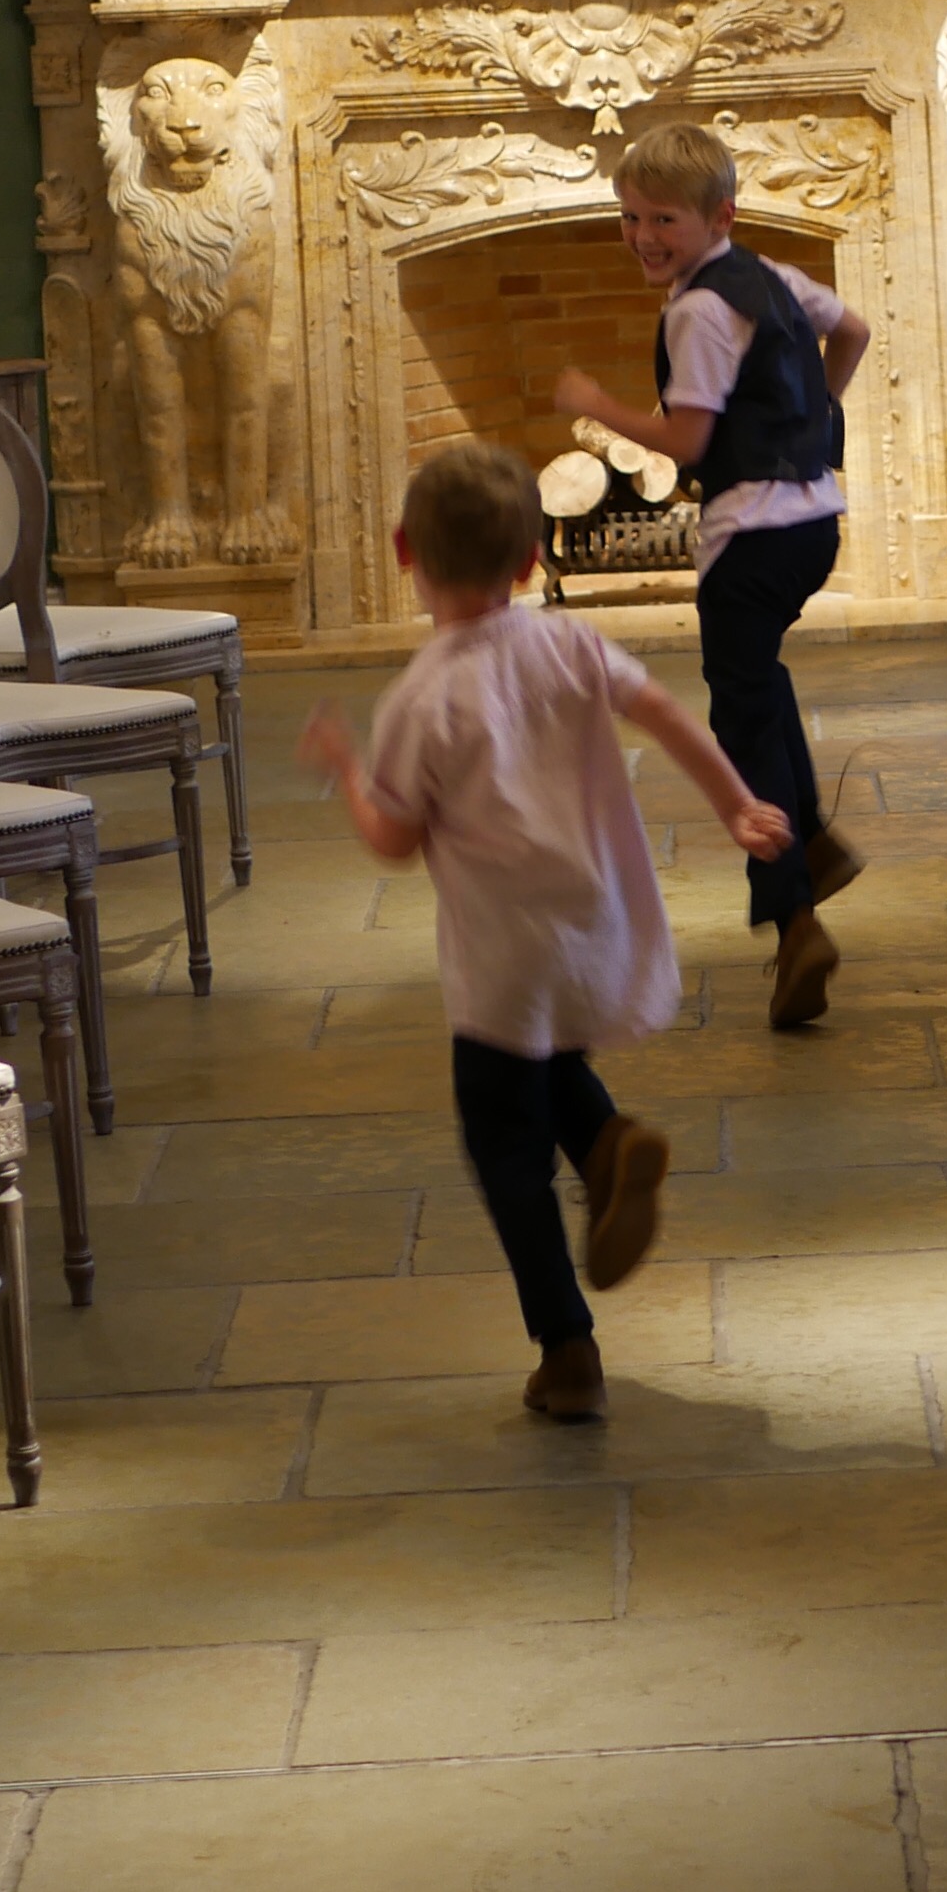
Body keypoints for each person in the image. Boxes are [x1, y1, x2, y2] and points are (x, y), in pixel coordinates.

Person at [304, 438, 787, 1424]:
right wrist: (737, 803)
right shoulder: (569, 645)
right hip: (590, 917)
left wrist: (348, 771)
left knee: (503, 1142)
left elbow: (393, 840)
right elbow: (663, 711)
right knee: (550, 1058)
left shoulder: (419, 697)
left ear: (403, 550)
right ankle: (607, 1140)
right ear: (531, 561)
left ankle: (565, 1346)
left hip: (498, 951)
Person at [554, 119, 872, 1030]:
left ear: (719, 216)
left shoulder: (695, 310)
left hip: (751, 539)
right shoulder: (772, 276)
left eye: (664, 220)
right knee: (759, 683)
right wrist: (815, 412)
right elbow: (852, 329)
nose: (643, 238)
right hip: (813, 526)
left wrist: (598, 406)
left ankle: (795, 919)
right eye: (630, 218)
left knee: (741, 722)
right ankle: (813, 845)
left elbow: (689, 441)